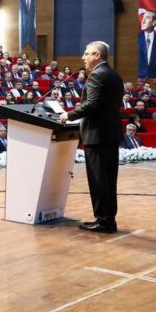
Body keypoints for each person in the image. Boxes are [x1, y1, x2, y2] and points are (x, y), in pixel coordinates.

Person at [60, 41, 124, 233]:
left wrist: (69, 115)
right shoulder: (114, 75)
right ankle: (108, 219)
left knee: (99, 180)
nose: (83, 57)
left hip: (97, 135)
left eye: (87, 54)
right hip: (110, 134)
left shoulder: (97, 75)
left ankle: (103, 221)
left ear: (97, 55)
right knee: (109, 180)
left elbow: (93, 104)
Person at [137, 9, 156, 80]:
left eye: (147, 18)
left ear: (154, 22)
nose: (143, 21)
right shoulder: (136, 39)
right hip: (138, 80)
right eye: (143, 18)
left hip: (155, 80)